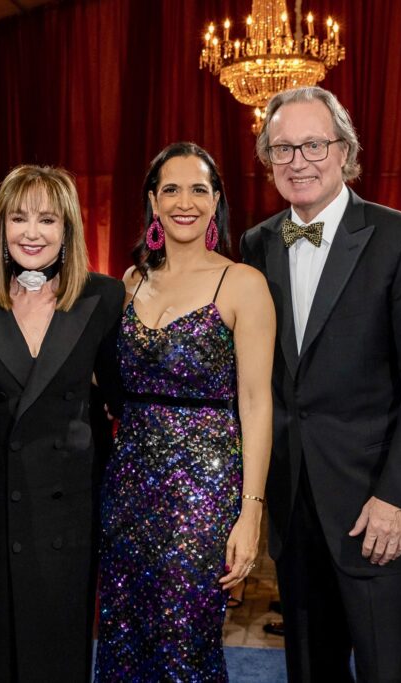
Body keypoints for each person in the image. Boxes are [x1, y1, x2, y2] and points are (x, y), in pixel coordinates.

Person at [240, 86, 401, 682]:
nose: (298, 161)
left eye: (314, 144)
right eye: (282, 149)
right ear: (267, 161)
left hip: (374, 504)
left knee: (391, 666)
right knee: (310, 666)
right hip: (292, 500)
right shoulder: (255, 246)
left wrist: (396, 498)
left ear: (345, 152)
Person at [95, 142, 275, 680]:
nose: (184, 201)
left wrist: (251, 512)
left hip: (204, 490)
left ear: (216, 200)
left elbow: (257, 404)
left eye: (199, 189)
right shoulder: (129, 283)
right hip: (128, 483)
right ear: (153, 201)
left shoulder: (243, 283)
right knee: (124, 633)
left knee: (184, 639)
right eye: (170, 189)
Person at [0, 165, 124, 682]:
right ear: (0, 227)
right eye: (19, 218)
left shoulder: (104, 297)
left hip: (67, 506)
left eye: (47, 220)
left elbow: (120, 396)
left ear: (67, 228)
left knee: (59, 650)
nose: (32, 232)